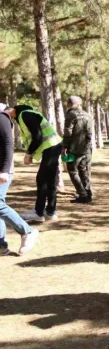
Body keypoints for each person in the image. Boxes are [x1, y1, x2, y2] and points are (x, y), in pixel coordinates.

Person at [5, 105, 62, 223]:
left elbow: (38, 136)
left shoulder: (24, 114)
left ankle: (38, 212)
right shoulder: (25, 114)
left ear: (12, 109)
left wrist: (29, 153)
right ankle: (50, 211)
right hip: (54, 146)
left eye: (5, 112)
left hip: (51, 146)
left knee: (42, 179)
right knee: (50, 180)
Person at [0, 103, 39, 256]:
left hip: (3, 171)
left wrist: (4, 171)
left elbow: (9, 145)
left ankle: (27, 231)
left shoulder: (2, 118)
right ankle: (1, 246)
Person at [63, 96, 94, 203]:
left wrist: (65, 146)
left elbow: (68, 132)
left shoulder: (70, 114)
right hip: (87, 148)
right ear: (80, 103)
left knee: (72, 170)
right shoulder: (88, 115)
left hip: (74, 148)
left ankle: (82, 194)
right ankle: (88, 192)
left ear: (69, 104)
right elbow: (90, 133)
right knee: (84, 170)